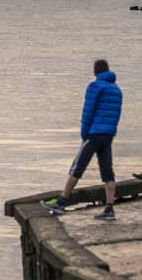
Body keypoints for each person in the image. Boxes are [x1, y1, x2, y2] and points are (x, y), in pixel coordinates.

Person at [41, 60, 123, 220]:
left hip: (94, 133)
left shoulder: (95, 86)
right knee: (107, 170)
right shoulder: (117, 90)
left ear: (95, 71)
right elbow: (116, 114)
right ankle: (109, 208)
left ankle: (61, 202)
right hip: (108, 135)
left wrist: (84, 134)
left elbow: (88, 113)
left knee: (77, 166)